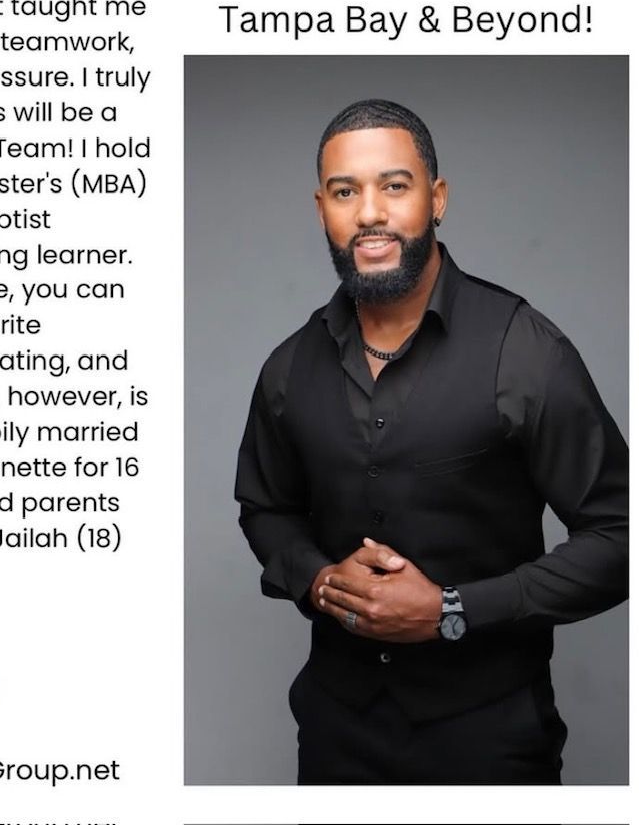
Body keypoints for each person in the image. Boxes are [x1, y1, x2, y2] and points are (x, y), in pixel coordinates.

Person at [235, 98, 628, 785]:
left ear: (435, 198)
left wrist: (452, 609)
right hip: (335, 733)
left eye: (394, 185)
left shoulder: (524, 352)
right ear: (321, 207)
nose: (369, 214)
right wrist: (318, 579)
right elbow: (264, 508)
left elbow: (621, 535)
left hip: (490, 738)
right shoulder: (287, 367)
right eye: (344, 191)